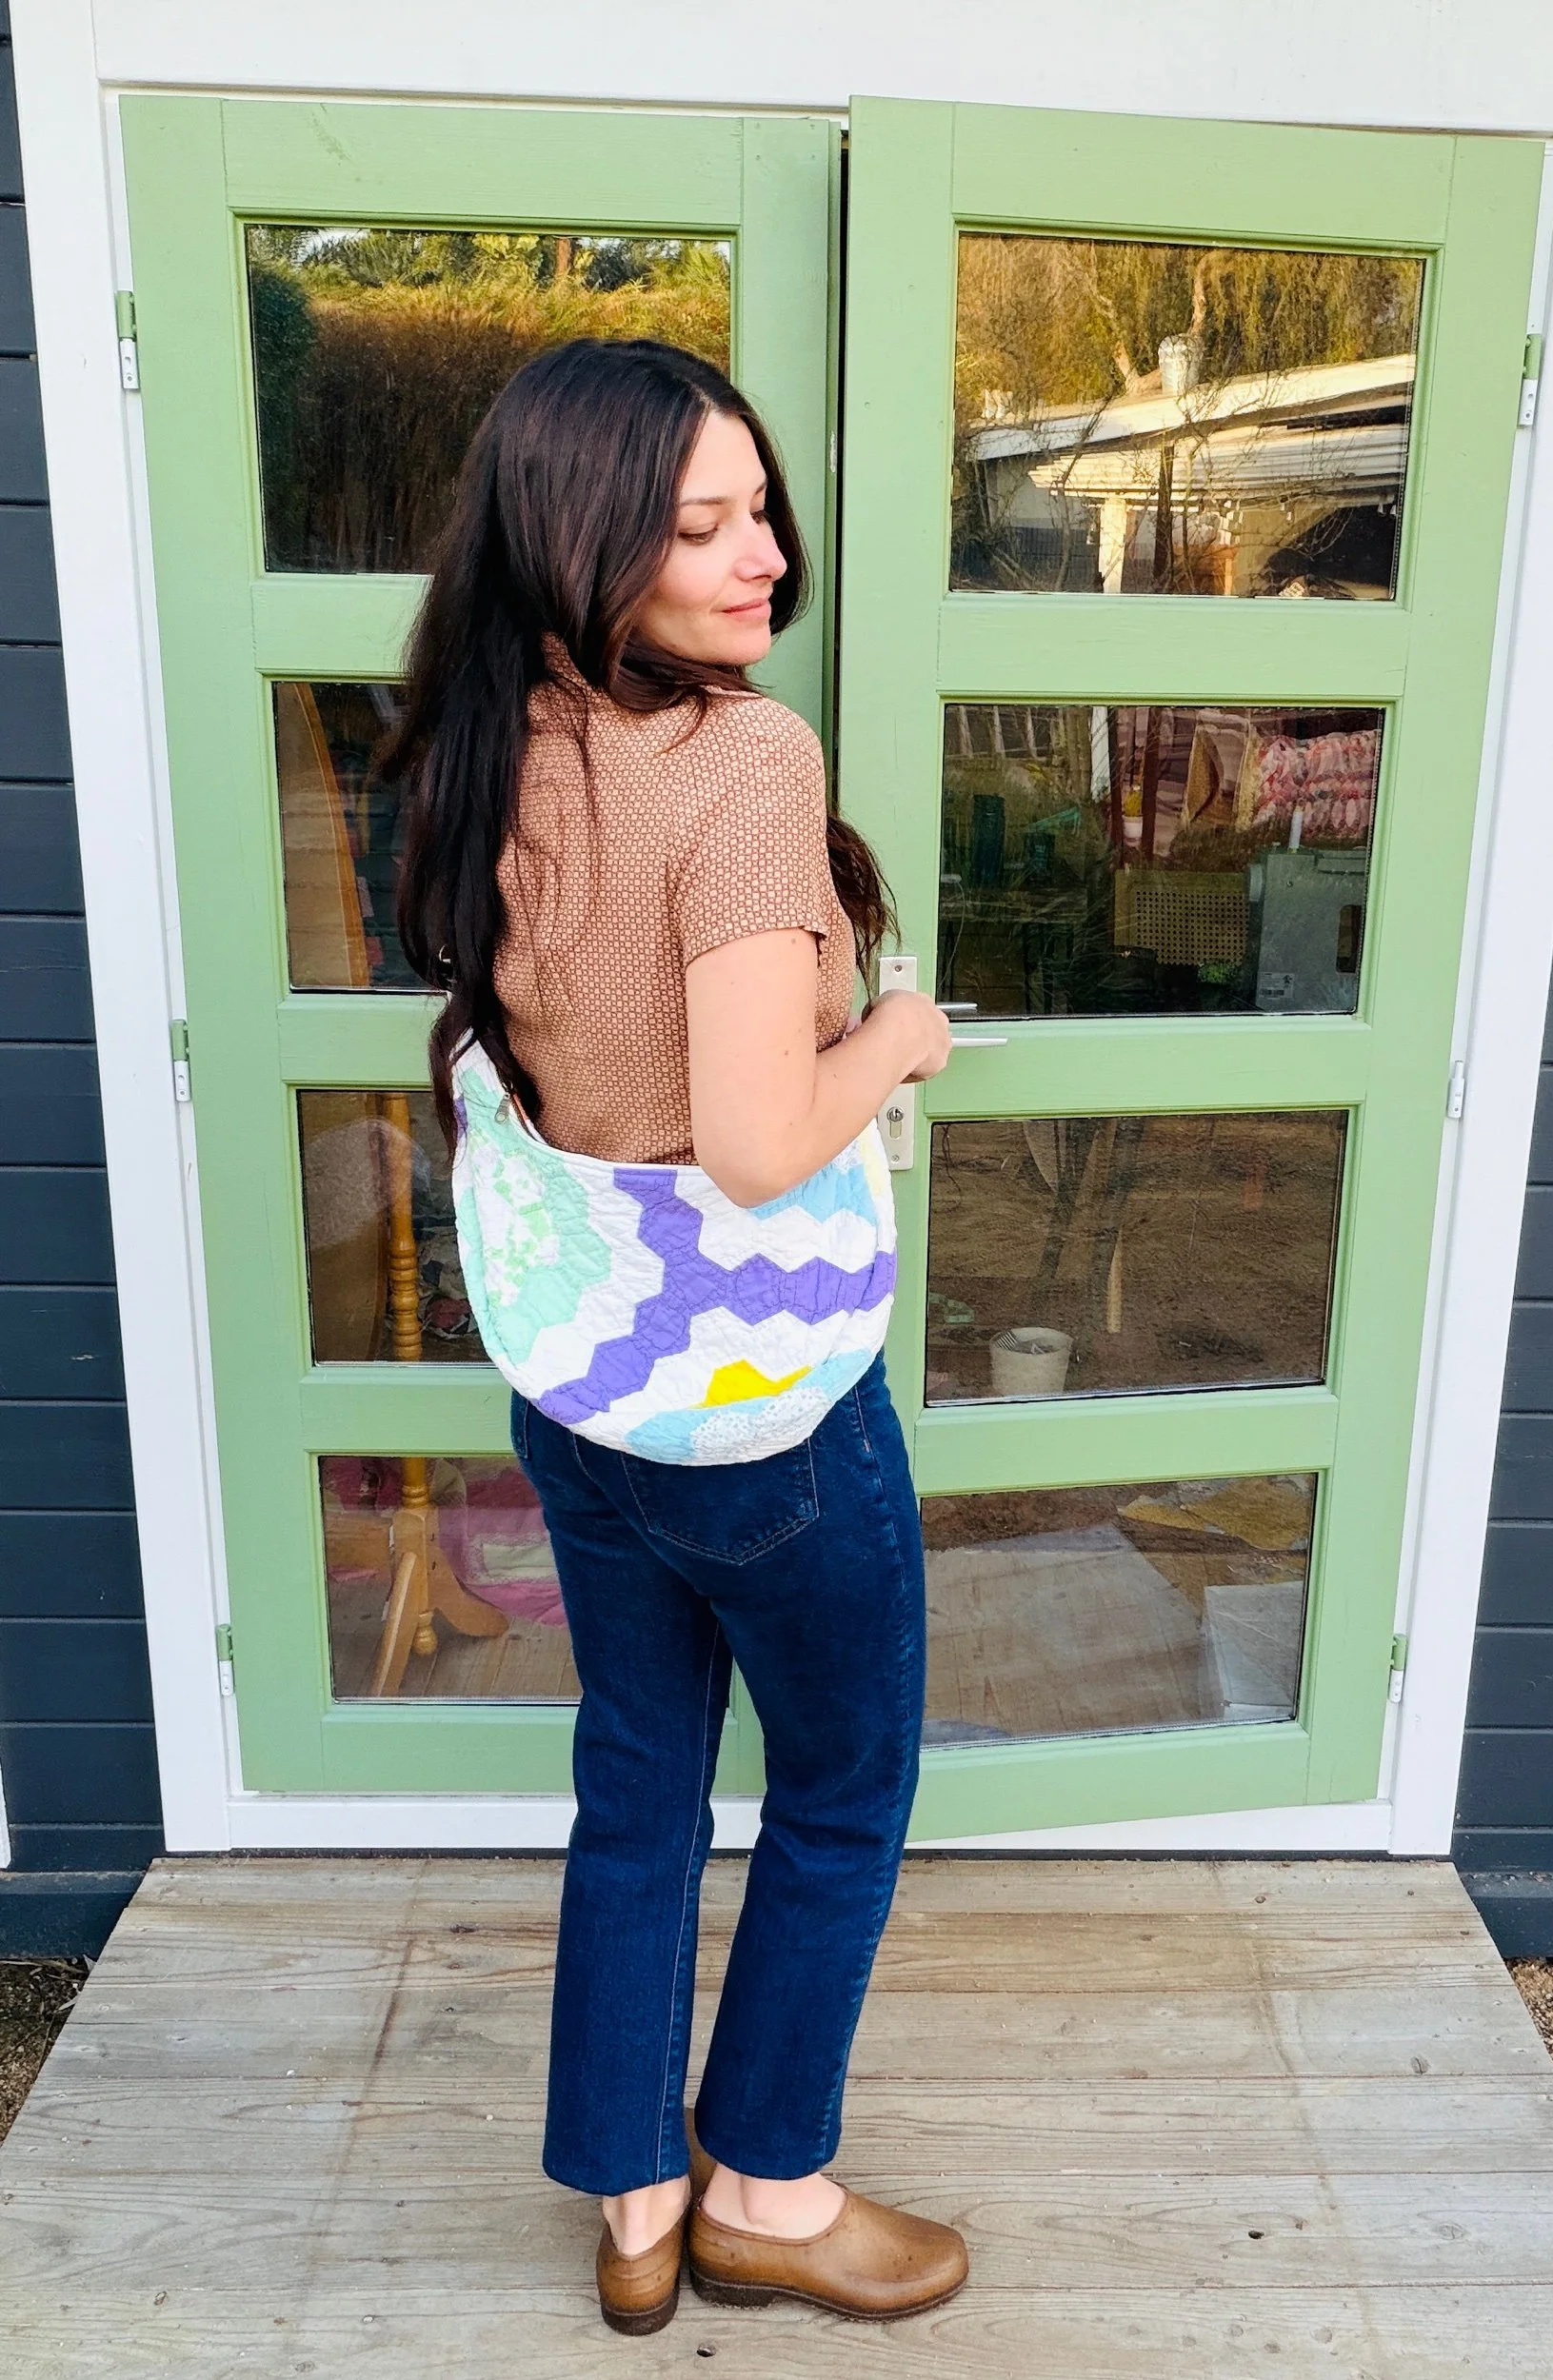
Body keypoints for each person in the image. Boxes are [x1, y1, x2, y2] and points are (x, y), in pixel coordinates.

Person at [387, 338, 966, 2336]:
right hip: (761, 1404)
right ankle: (769, 2195)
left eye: (759, 509)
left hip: (585, 1379)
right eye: (698, 525)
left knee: (637, 1777)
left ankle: (637, 2202)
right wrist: (901, 1037)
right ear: (581, 542)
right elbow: (752, 1140)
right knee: (841, 1785)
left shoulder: (494, 739)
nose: (761, 555)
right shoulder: (740, 760)